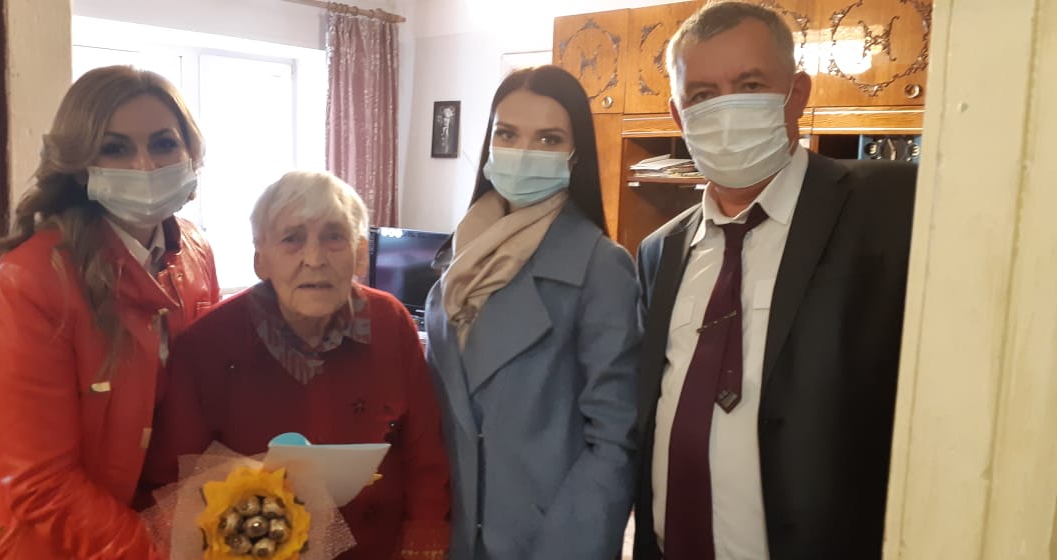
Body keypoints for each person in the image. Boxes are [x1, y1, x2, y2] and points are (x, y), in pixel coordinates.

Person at [632, 3, 918, 559]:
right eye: (702, 95)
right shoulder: (659, 251)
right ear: (678, 116)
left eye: (750, 85)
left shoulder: (891, 209)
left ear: (797, 93)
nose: (726, 108)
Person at [0, 65, 221, 559]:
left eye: (163, 144)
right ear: (79, 165)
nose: (145, 166)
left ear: (191, 153)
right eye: (115, 148)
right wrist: (155, 551)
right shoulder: (31, 279)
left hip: (153, 526)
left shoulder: (194, 252)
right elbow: (39, 483)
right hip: (43, 542)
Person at [143, 170, 452, 560]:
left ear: (359, 253)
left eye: (334, 237)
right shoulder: (206, 344)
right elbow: (169, 482)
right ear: (261, 259)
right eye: (292, 239)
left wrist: (425, 536)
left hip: (380, 548)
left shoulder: (389, 322)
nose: (315, 259)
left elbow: (425, 448)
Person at [423, 65, 641, 560]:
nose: (523, 152)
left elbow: (614, 440)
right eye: (507, 134)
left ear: (575, 155)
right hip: (452, 530)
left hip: (546, 541)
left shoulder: (600, 266)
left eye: (548, 138)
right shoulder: (461, 253)